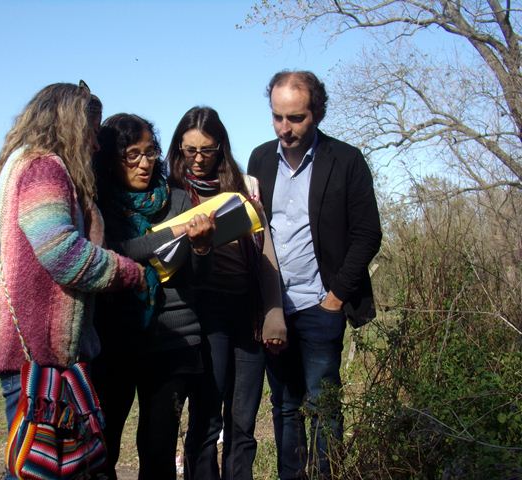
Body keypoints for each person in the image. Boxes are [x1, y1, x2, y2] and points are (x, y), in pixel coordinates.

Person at [0, 82, 146, 480]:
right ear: (70, 124)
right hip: (38, 356)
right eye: (90, 131)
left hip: (33, 353)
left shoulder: (18, 165)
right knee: (41, 469)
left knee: (40, 465)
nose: (93, 145)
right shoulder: (43, 168)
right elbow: (63, 254)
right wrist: (129, 272)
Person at [247, 71, 382, 479]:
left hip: (321, 306)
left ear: (317, 113)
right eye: (277, 117)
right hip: (275, 308)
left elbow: (367, 234)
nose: (284, 129)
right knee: (284, 405)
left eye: (296, 118)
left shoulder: (346, 160)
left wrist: (335, 298)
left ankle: (328, 475)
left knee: (324, 405)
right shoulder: (258, 159)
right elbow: (254, 228)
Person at [91, 113, 215, 480]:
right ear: (111, 157)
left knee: (158, 449)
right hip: (114, 341)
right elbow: (111, 251)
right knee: (103, 444)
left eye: (150, 152)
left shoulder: (177, 200)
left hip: (172, 341)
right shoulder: (98, 206)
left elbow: (198, 277)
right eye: (132, 154)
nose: (145, 163)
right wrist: (171, 233)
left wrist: (203, 249)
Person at [166, 106, 287, 480]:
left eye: (207, 150)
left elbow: (266, 251)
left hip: (246, 313)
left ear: (221, 146)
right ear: (179, 149)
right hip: (203, 314)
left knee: (243, 419)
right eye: (190, 151)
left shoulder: (244, 188)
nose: (199, 160)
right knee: (205, 419)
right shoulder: (170, 192)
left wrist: (274, 313)